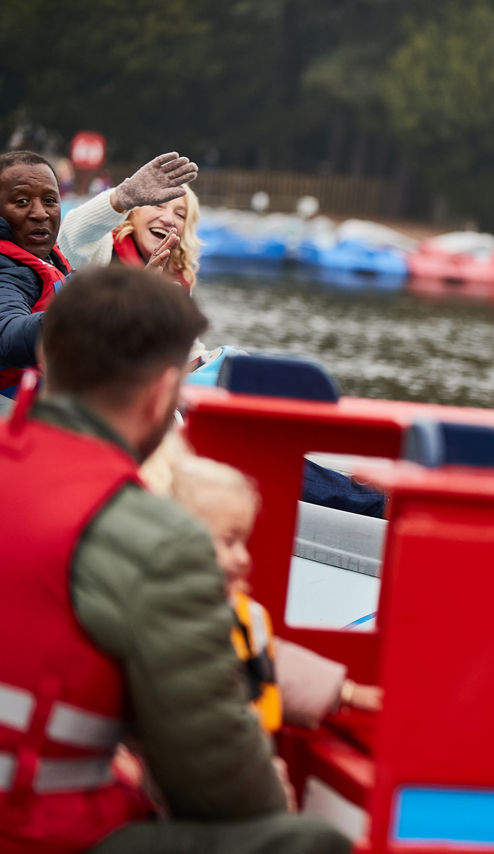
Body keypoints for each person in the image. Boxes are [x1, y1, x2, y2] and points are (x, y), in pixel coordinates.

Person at [0, 265, 348, 853]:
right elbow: (218, 779)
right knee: (308, 841)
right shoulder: (153, 537)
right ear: (164, 392)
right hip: (38, 830)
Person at [169, 455, 383, 732]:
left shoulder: (240, 612)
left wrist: (345, 691)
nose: (243, 557)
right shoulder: (173, 612)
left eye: (244, 542)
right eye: (229, 541)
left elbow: (268, 660)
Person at [0, 150, 197, 396]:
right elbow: (7, 335)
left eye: (50, 201)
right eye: (22, 202)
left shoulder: (51, 260)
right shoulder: (11, 267)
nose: (40, 213)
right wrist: (122, 197)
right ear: (133, 212)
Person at [59, 182, 201, 291]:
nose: (168, 219)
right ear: (133, 212)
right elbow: (70, 237)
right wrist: (119, 199)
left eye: (180, 215)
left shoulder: (180, 281)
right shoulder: (102, 249)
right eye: (158, 205)